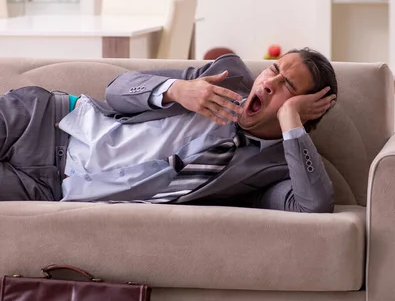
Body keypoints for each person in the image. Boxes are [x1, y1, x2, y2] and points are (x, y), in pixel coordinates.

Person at [0, 49, 337, 212]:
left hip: (50, 189)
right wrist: (176, 89)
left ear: (306, 110)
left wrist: (291, 121)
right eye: (273, 71)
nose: (268, 83)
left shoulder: (272, 170)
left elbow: (313, 207)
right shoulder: (227, 75)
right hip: (46, 123)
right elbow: (117, 88)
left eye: (287, 87)